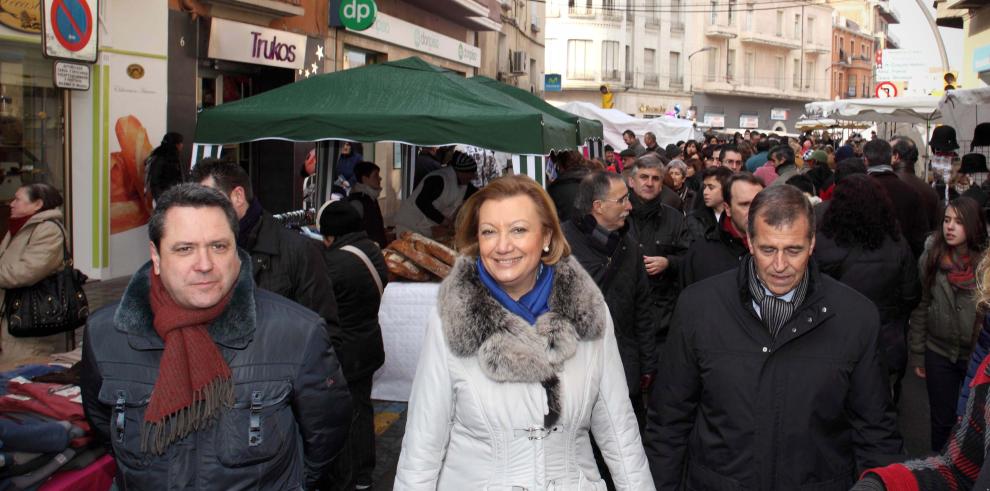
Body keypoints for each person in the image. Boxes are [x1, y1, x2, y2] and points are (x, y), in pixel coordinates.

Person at [80, 183, 353, 490]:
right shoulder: (107, 334)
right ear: (156, 256)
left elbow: (326, 434)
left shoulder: (297, 333)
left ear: (237, 250)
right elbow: (104, 427)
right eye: (185, 249)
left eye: (218, 247)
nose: (205, 265)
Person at [394, 175, 653, 490]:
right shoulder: (452, 318)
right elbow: (423, 444)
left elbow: (619, 430)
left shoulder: (588, 311)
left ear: (546, 236)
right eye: (489, 231)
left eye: (518, 229)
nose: (503, 246)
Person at [647, 184, 903, 490]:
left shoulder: (856, 317)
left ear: (812, 244)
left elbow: (876, 433)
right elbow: (669, 423)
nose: (780, 265)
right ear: (750, 243)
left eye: (793, 250)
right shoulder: (698, 307)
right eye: (769, 249)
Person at [189, 159, 341, 340]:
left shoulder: (299, 250)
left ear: (238, 196)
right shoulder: (201, 254)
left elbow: (325, 335)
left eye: (208, 201)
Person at [563, 171, 659, 428]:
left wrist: (647, 363)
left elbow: (642, 309)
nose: (629, 206)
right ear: (598, 206)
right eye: (622, 200)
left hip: (622, 369)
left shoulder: (629, 246)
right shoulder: (561, 246)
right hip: (576, 371)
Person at [814, 174, 921, 402]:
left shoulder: (821, 242)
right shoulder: (897, 244)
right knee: (878, 409)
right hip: (884, 343)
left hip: (831, 339)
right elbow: (911, 295)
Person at [317, 201, 388, 491]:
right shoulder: (371, 249)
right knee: (362, 408)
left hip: (346, 350)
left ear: (330, 236)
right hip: (368, 342)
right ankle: (363, 474)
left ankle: (348, 477)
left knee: (344, 414)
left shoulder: (334, 264)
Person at [909, 197, 987, 452]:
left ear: (973, 226)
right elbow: (921, 305)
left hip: (975, 355)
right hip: (939, 352)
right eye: (946, 220)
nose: (950, 227)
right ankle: (940, 468)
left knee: (970, 420)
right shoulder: (932, 258)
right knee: (941, 420)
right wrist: (919, 353)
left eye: (958, 222)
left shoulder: (985, 267)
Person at [627, 159, 688, 365]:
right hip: (625, 315)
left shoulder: (675, 218)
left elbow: (689, 258)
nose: (649, 183)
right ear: (631, 182)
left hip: (661, 318)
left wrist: (668, 262)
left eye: (655, 178)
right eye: (643, 177)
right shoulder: (618, 216)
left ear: (662, 184)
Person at [0, 183, 68, 358]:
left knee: (21, 371)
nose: (11, 203)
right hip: (11, 314)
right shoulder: (19, 227)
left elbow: (27, 272)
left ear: (38, 204)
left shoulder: (48, 230)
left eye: (18, 199)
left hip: (30, 317)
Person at [680, 173, 763, 286]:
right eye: (745, 204)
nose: (753, 210)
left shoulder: (779, 249)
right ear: (728, 208)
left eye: (759, 204)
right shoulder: (701, 253)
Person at [864, 139, 927, 257]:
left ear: (866, 160)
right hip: (902, 262)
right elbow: (920, 237)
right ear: (891, 159)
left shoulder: (859, 190)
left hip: (866, 262)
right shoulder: (911, 192)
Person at [394, 151, 479, 239]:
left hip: (427, 228)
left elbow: (478, 195)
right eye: (471, 174)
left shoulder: (464, 184)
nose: (473, 178)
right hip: (409, 224)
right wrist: (444, 221)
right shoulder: (438, 179)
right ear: (461, 172)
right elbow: (421, 202)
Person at [682, 166, 733, 246]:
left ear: (726, 189)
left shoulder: (737, 216)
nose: (705, 192)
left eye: (711, 188)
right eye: (705, 187)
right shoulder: (694, 219)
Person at [347, 161, 387, 248]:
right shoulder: (357, 202)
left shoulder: (371, 198)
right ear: (365, 179)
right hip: (366, 255)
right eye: (376, 175)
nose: (380, 178)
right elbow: (352, 234)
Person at [548, 158, 592, 223]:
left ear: (560, 166)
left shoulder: (556, 188)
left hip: (567, 229)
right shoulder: (591, 180)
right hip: (590, 228)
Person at [145, 132, 184, 202]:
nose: (182, 145)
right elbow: (154, 182)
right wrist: (160, 200)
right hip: (164, 199)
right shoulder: (160, 158)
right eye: (180, 143)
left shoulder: (175, 157)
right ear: (175, 144)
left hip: (173, 197)